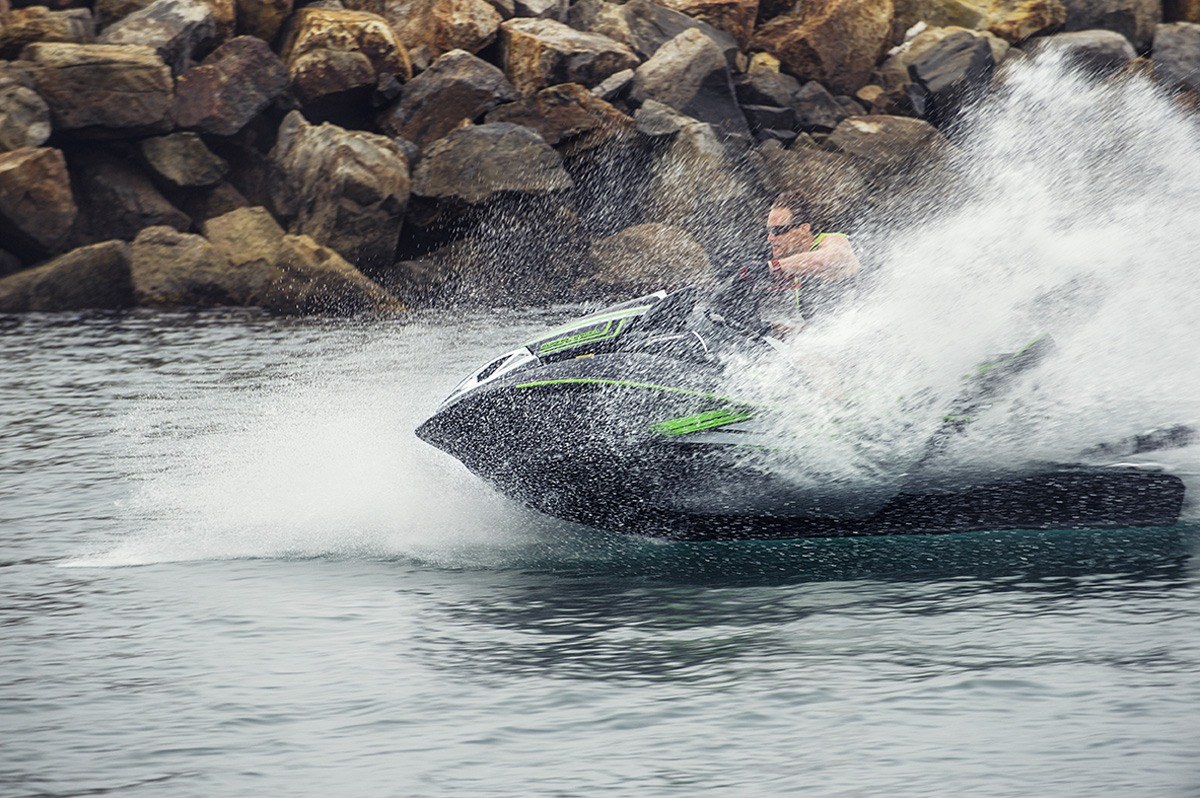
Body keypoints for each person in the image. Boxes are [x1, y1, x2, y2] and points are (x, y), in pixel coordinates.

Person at [714, 193, 862, 335]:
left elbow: (837, 259)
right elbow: (819, 332)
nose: (770, 238)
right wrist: (768, 329)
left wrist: (770, 267)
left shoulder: (832, 240)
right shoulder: (799, 273)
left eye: (778, 230)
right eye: (768, 231)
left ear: (804, 229)